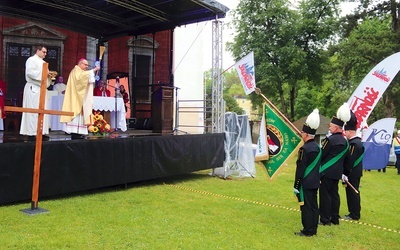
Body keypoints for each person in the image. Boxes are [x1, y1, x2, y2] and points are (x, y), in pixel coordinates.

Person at [319, 103, 351, 226]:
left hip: (326, 172)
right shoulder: (345, 142)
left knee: (325, 196)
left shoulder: (330, 140)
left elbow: (322, 154)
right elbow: (348, 160)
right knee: (334, 195)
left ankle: (325, 220)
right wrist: (345, 173)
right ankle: (335, 218)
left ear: (337, 128)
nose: (329, 128)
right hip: (337, 173)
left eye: (331, 126)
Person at [294, 108, 321, 237]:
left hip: (305, 182)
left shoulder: (304, 149)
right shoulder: (317, 147)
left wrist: (296, 184)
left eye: (302, 133)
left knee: (306, 207)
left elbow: (301, 168)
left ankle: (307, 230)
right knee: (314, 206)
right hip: (315, 181)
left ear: (306, 135)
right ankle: (313, 228)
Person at [60, 58, 100, 139]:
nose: (86, 66)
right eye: (85, 64)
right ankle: (75, 133)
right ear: (80, 64)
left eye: (87, 65)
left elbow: (86, 80)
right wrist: (94, 70)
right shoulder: (76, 70)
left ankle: (79, 132)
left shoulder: (80, 72)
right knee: (76, 113)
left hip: (80, 97)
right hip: (75, 97)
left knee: (81, 114)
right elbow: (80, 79)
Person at [20, 45, 53, 141]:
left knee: (43, 110)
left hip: (42, 89)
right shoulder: (31, 60)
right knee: (33, 111)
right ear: (38, 51)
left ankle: (41, 131)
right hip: (33, 88)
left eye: (46, 52)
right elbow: (30, 72)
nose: (45, 54)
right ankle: (32, 133)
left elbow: (45, 77)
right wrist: (44, 74)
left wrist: (49, 77)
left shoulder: (44, 63)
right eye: (43, 52)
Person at [342, 110, 364, 221]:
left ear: (350, 132)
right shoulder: (357, 142)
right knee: (352, 192)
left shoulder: (354, 144)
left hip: (352, 172)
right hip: (355, 171)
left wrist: (345, 173)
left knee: (353, 193)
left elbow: (350, 160)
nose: (344, 134)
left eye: (345, 132)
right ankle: (353, 212)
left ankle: (354, 214)